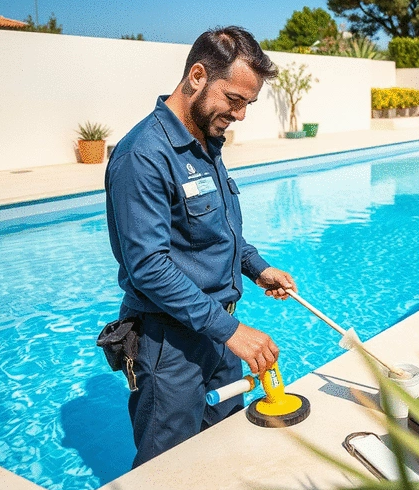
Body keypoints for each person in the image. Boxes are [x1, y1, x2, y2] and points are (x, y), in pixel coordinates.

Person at [105, 26, 296, 467]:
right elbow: (149, 268)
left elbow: (217, 232)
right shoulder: (143, 155)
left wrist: (257, 268)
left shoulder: (205, 144)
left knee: (225, 453)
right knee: (167, 470)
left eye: (247, 104)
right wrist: (234, 333)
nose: (241, 114)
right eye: (234, 100)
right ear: (197, 76)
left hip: (215, 336)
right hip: (168, 348)